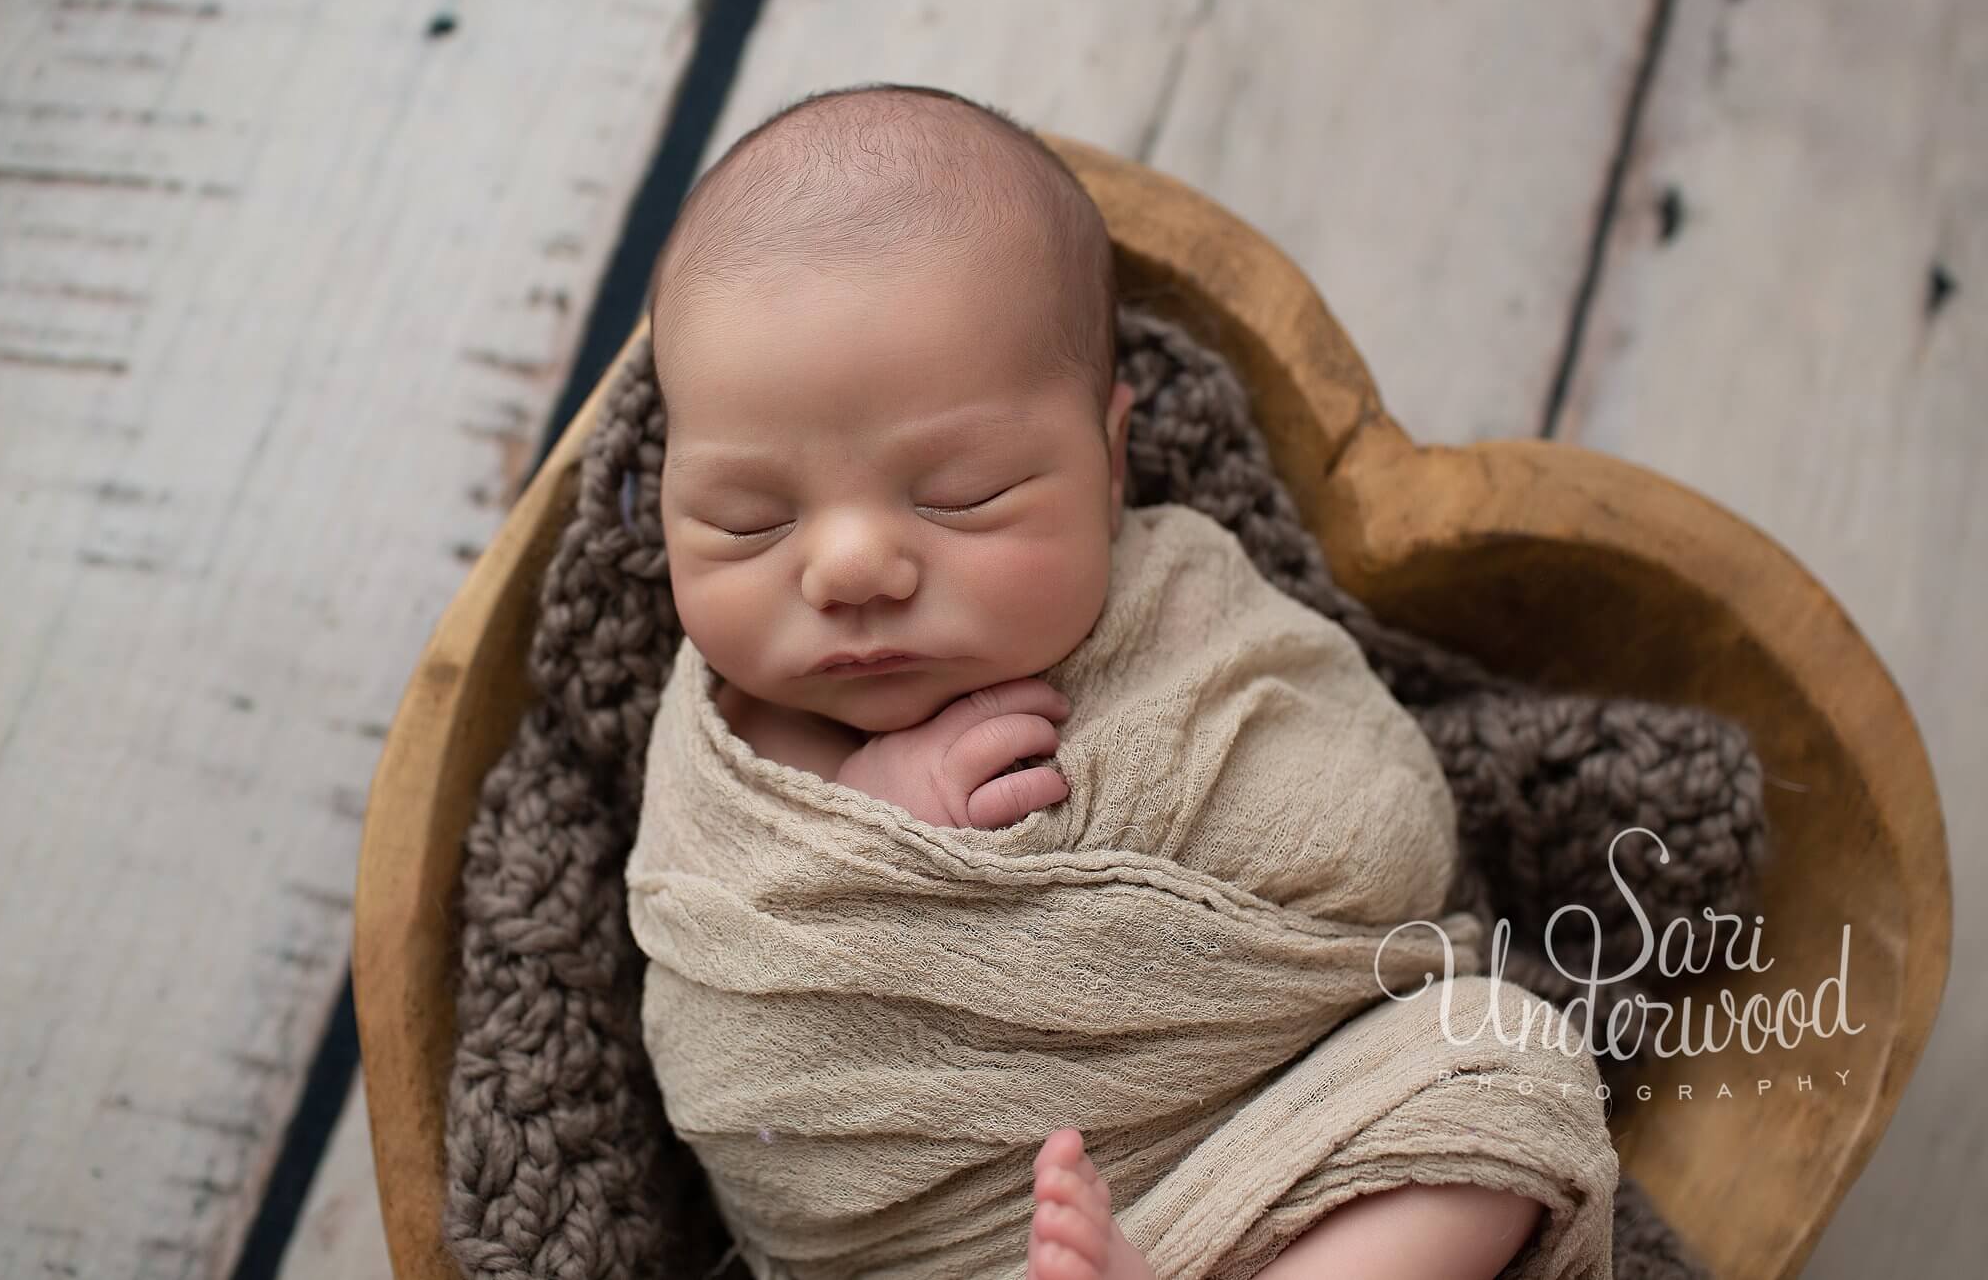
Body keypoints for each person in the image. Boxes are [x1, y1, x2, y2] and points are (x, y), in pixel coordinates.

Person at [647, 81, 1547, 1280]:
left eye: (961, 494)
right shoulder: (732, 725)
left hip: (1265, 1151)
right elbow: (744, 1025)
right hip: (932, 1236)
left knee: (1502, 1065)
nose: (851, 565)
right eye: (746, 520)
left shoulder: (1182, 604)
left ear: (1110, 464)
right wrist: (876, 819)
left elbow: (1367, 832)